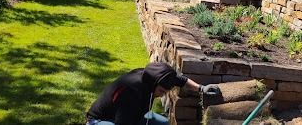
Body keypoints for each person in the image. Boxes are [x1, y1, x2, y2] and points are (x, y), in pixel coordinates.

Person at [86, 62, 220, 125]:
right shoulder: (131, 93)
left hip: (133, 115)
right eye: (161, 91)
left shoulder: (152, 76)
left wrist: (201, 88)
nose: (162, 95)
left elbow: (181, 80)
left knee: (163, 123)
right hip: (101, 120)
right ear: (153, 85)